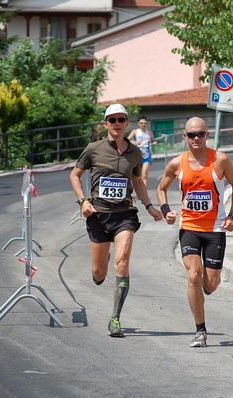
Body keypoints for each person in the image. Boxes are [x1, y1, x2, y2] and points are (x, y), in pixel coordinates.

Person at [70, 103, 163, 338]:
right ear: (105, 124)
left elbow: (138, 181)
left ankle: (115, 319)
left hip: (124, 216)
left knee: (122, 262)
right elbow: (75, 175)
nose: (117, 124)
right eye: (112, 120)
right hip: (98, 216)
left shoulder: (135, 152)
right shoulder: (93, 149)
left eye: (121, 119)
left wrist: (150, 206)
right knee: (99, 274)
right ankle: (102, 263)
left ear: (126, 123)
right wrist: (83, 201)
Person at [156, 116, 233, 348]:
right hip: (190, 228)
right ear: (184, 137)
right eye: (191, 134)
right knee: (193, 275)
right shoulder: (176, 164)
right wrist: (166, 212)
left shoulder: (220, 160)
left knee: (210, 284)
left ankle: (206, 285)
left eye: (200, 134)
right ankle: (200, 331)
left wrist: (232, 215)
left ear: (207, 135)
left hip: (215, 229)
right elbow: (161, 188)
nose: (196, 138)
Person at [127, 116, 157, 189]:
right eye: (141, 123)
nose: (143, 124)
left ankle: (144, 192)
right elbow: (127, 140)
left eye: (145, 123)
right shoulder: (135, 132)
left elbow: (153, 141)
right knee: (137, 176)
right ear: (138, 124)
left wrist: (154, 143)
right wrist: (135, 142)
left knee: (144, 175)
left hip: (147, 154)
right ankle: (138, 191)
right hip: (137, 154)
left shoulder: (149, 133)